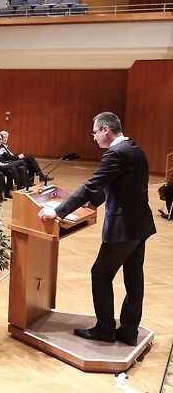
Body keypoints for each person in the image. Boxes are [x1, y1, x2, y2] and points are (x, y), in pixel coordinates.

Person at [38, 112, 156, 346]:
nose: (93, 138)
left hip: (122, 228)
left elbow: (93, 183)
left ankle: (105, 329)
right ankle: (129, 331)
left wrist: (58, 211)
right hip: (140, 225)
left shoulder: (115, 153)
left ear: (105, 130)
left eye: (94, 133)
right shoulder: (134, 149)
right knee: (134, 279)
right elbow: (116, 183)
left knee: (100, 274)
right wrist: (93, 203)